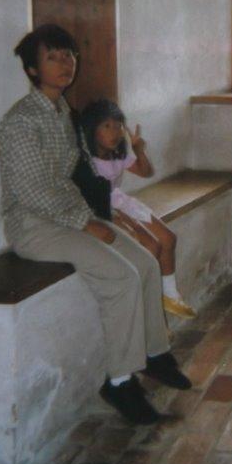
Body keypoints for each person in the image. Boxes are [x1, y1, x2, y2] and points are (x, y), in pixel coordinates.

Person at [0, 24, 191, 425]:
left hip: (72, 215)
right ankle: (119, 382)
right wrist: (85, 224)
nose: (65, 63)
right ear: (32, 69)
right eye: (52, 57)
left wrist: (100, 216)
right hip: (34, 226)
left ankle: (155, 354)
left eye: (68, 55)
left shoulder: (63, 114)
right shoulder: (21, 121)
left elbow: (80, 177)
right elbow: (31, 191)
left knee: (146, 262)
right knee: (121, 276)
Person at [80, 99, 197, 319]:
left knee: (168, 239)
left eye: (118, 126)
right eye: (106, 126)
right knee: (150, 247)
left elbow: (145, 172)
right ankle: (148, 308)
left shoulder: (116, 153)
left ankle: (170, 295)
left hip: (118, 201)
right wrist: (122, 220)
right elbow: (91, 200)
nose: (114, 132)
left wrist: (139, 150)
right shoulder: (85, 160)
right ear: (91, 128)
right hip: (99, 209)